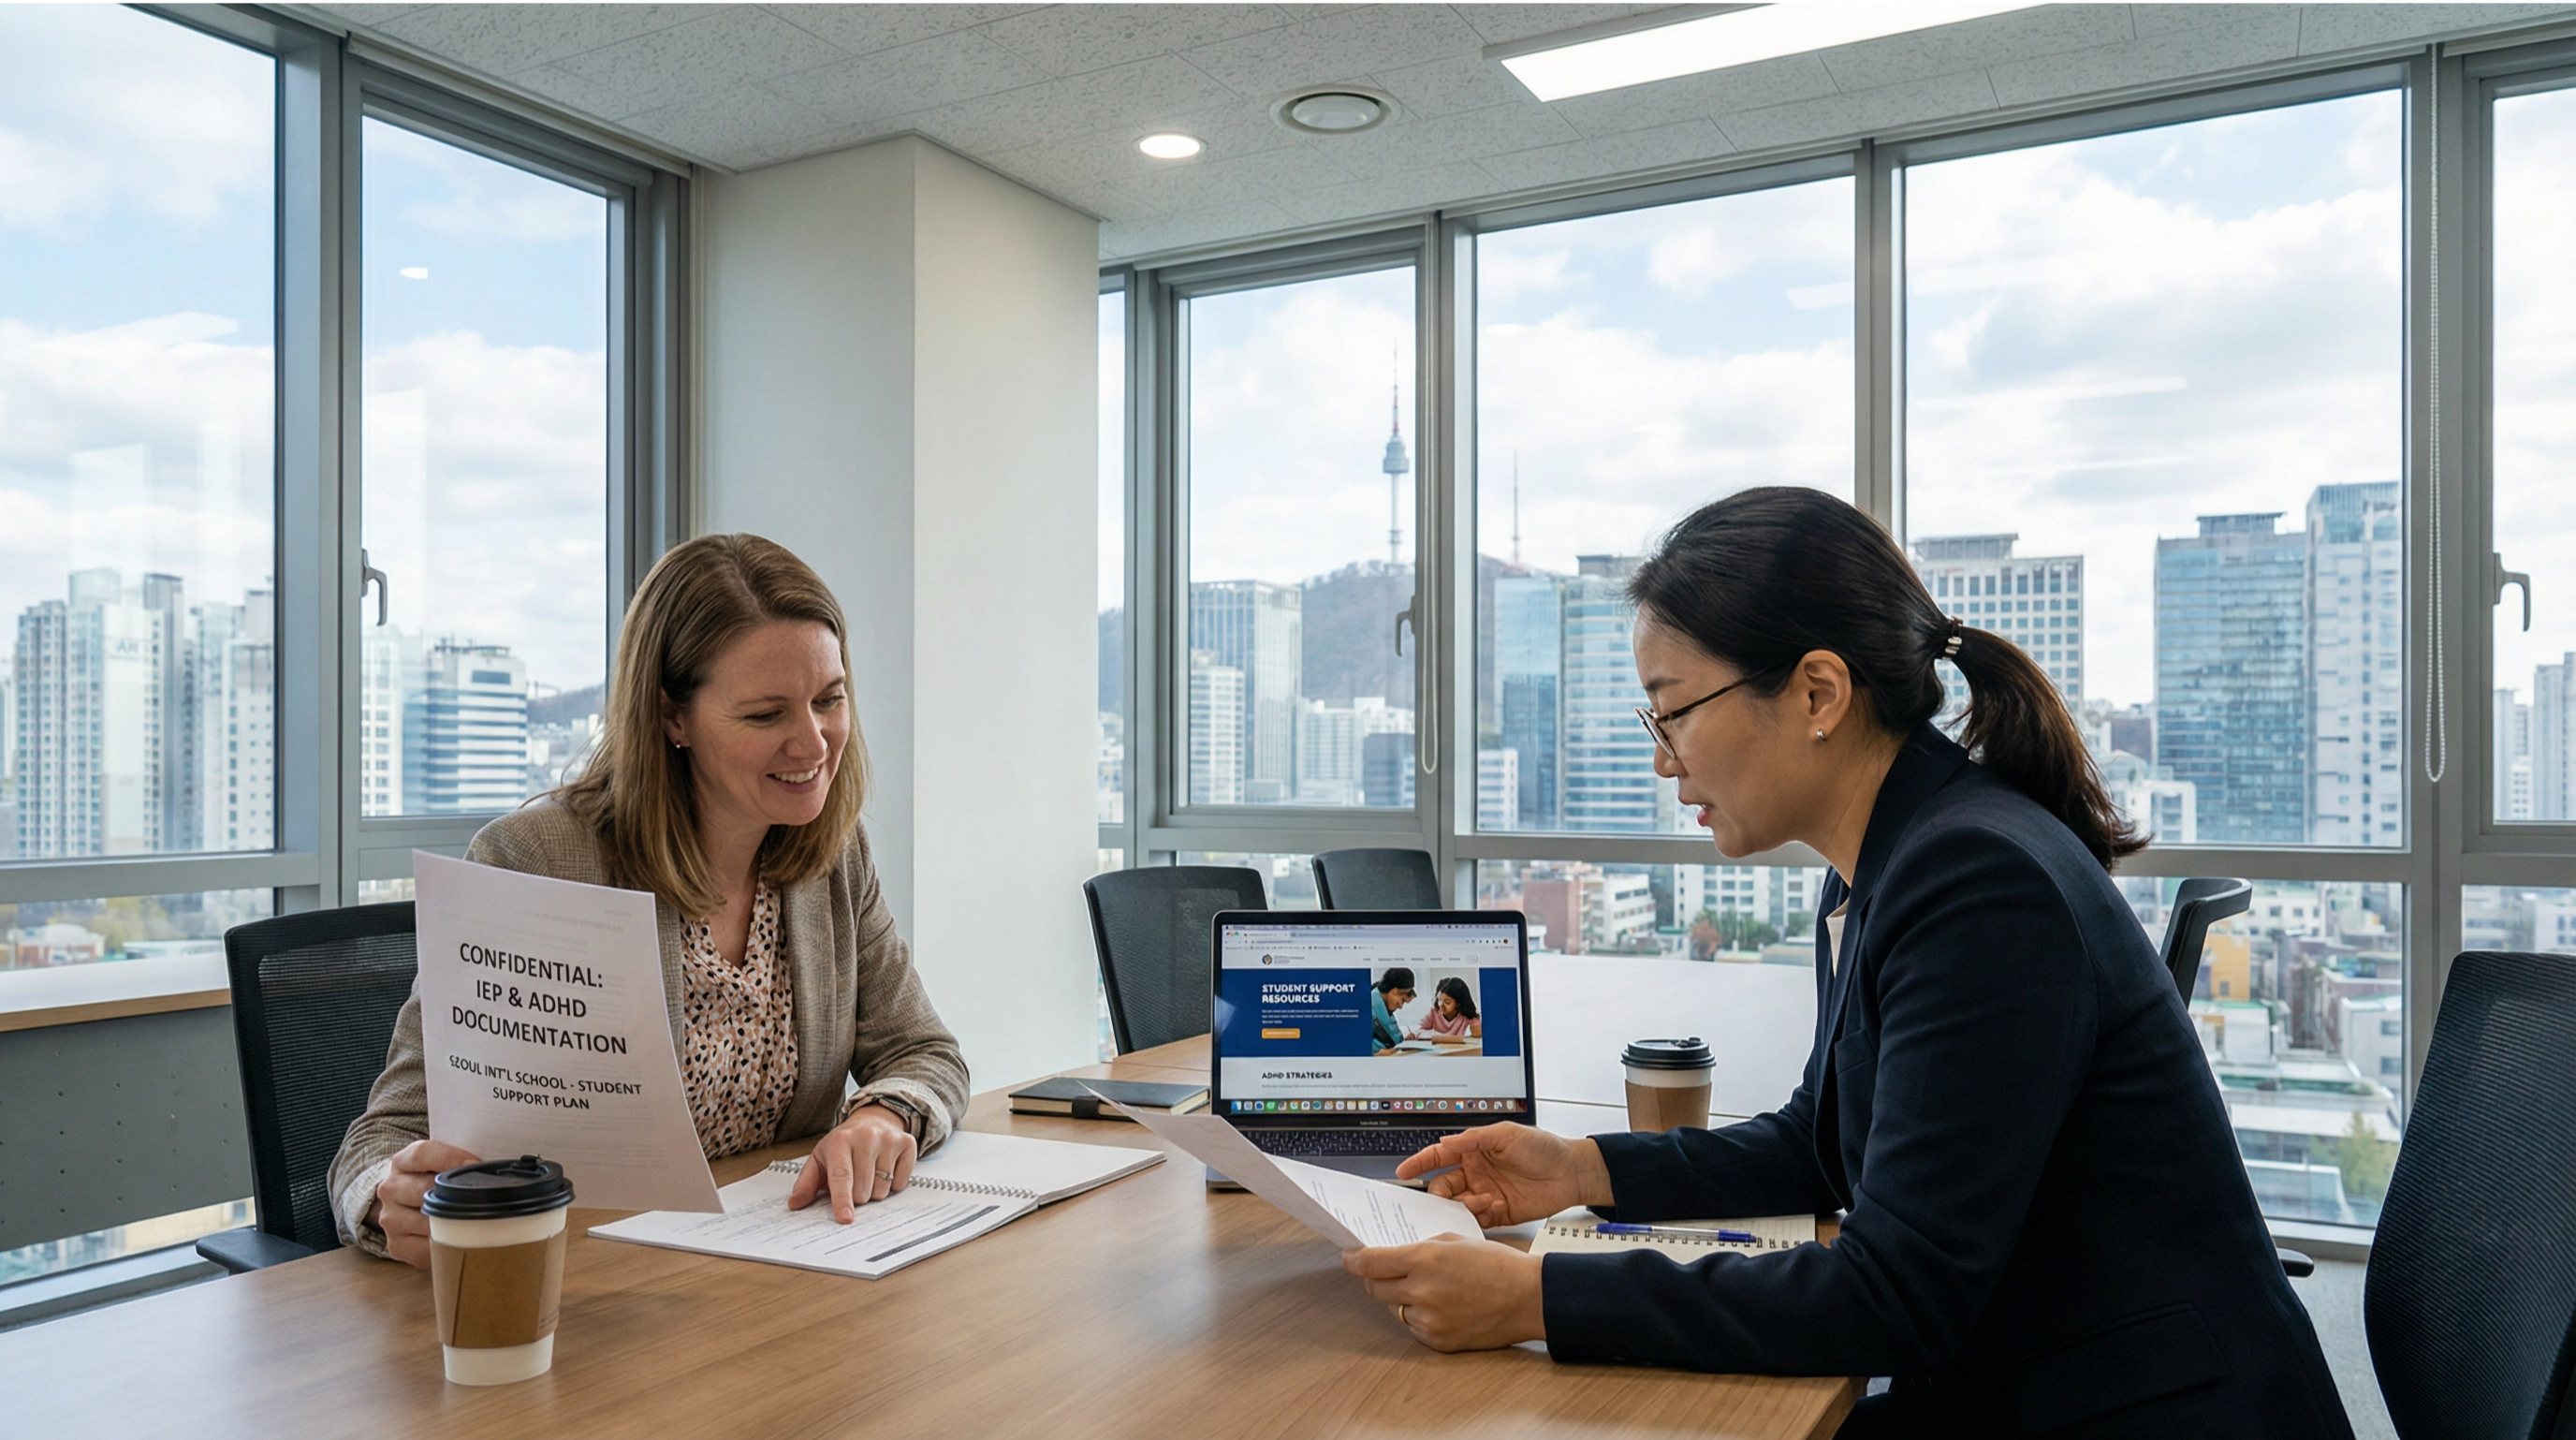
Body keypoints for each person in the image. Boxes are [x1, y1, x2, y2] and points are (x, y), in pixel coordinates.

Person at [1341, 488, 2351, 1438]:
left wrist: (1536, 1295)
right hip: (2029, 1380)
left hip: (2134, 1409)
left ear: (1817, 690)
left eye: (1674, 709)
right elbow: (1821, 1144)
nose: (1663, 758)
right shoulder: (1887, 862)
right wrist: (1581, 1168)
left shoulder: (1974, 880)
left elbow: (1894, 1290)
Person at [329, 534, 972, 1269]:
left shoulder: (832, 856)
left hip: (780, 1275)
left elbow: (926, 1052)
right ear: (672, 718)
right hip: (582, 1288)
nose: (814, 743)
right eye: (766, 715)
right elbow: (382, 1140)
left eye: (829, 700)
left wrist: (887, 1114)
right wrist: (386, 1196)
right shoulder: (538, 864)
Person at [1409, 977, 1481, 1042]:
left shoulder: (1464, 1014)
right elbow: (1418, 1031)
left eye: (1447, 1002)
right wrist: (1438, 1036)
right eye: (1440, 1000)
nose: (1441, 1005)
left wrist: (1474, 1018)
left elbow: (1478, 1034)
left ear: (1458, 1004)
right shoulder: (1434, 1011)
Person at [1369, 968, 1416, 1053]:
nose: (1401, 1006)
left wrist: (1402, 1042)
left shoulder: (1384, 1006)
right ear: (1394, 991)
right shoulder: (1369, 1004)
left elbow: (1389, 1039)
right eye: (1403, 1000)